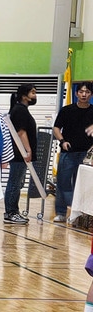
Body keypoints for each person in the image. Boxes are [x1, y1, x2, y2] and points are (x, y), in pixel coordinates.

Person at [52, 81, 93, 223]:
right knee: (63, 183)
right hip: (68, 152)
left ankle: (79, 215)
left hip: (86, 155)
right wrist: (62, 141)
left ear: (91, 95)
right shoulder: (67, 110)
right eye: (81, 91)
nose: (84, 94)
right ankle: (61, 212)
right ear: (76, 93)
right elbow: (56, 128)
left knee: (82, 185)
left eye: (87, 92)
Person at [6, 83, 40, 223]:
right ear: (24, 96)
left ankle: (12, 211)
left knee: (18, 182)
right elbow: (21, 132)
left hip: (21, 154)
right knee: (15, 182)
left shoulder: (22, 110)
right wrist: (28, 150)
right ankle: (11, 212)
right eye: (32, 92)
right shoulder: (20, 110)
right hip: (19, 154)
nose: (35, 95)